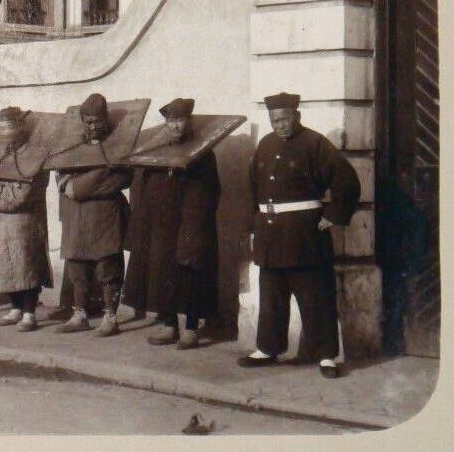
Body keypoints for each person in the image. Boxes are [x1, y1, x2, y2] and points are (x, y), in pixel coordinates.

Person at [238, 92, 360, 378]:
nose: (279, 124)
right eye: (273, 119)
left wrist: (332, 216)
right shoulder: (265, 145)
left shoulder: (315, 144)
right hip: (270, 235)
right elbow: (252, 188)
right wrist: (252, 225)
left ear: (296, 116)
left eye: (283, 119)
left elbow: (347, 180)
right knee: (271, 296)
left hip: (304, 236)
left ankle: (327, 356)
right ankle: (268, 348)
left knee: (315, 296)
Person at [123, 98, 221, 349]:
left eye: (180, 120)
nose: (175, 126)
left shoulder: (202, 152)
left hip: (189, 223)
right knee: (161, 273)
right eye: (171, 121)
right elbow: (142, 184)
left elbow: (210, 190)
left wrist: (195, 221)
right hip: (159, 225)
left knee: (190, 273)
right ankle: (169, 325)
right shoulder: (155, 150)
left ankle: (191, 327)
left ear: (189, 122)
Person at [54, 93, 132, 337]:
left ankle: (110, 317)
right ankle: (80, 314)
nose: (93, 126)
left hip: (105, 216)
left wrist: (79, 187)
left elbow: (120, 178)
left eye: (97, 120)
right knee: (77, 266)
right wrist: (86, 181)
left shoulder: (118, 146)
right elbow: (61, 177)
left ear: (105, 120)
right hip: (76, 216)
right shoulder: (71, 147)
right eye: (88, 121)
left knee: (108, 266)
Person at [0, 107, 53, 332]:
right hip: (2, 222)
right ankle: (15, 308)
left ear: (20, 128)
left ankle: (30, 313)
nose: (5, 132)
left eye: (10, 127)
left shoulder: (36, 154)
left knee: (26, 264)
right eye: (2, 127)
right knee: (6, 263)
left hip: (25, 221)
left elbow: (20, 196)